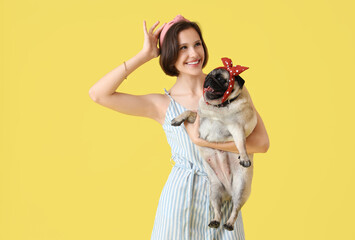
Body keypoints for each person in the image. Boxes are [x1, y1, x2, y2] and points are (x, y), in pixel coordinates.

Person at [89, 15, 269, 240]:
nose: (193, 54)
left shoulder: (228, 87)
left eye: (197, 44)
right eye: (182, 48)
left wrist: (202, 141)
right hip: (180, 200)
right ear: (170, 55)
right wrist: (144, 56)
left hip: (223, 198)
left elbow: (262, 144)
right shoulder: (162, 105)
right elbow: (98, 94)